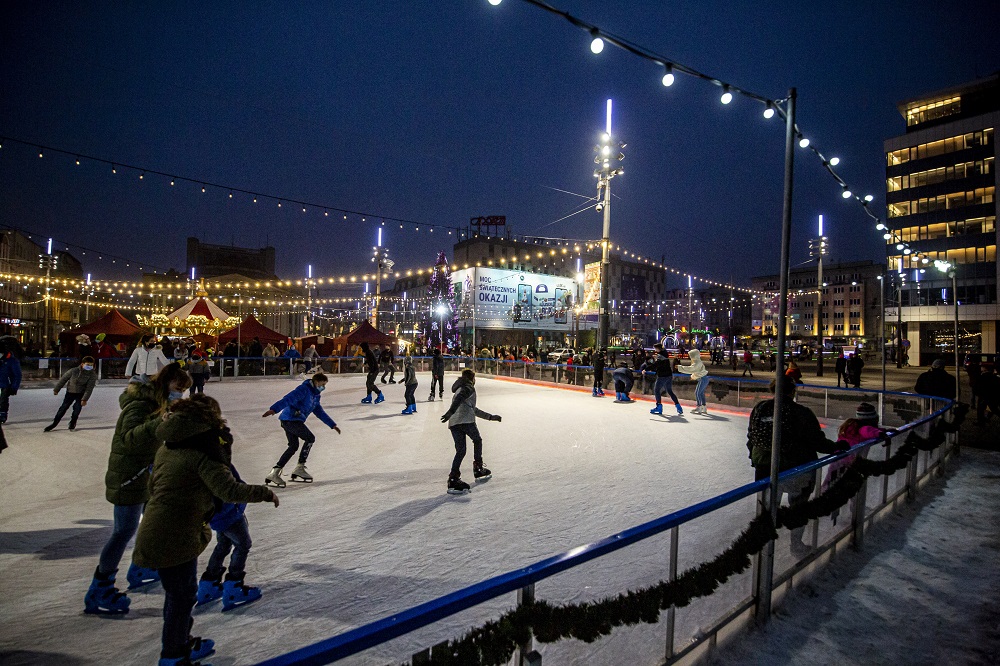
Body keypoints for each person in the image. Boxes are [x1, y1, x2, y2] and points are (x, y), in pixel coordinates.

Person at [132, 394, 278, 664]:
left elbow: (153, 487)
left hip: (158, 527)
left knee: (180, 595)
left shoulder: (169, 446)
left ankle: (180, 645)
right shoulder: (203, 452)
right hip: (176, 534)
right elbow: (228, 489)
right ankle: (175, 656)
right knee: (181, 598)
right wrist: (264, 493)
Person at [84, 363, 192, 615]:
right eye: (178, 388)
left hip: (144, 474)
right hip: (128, 476)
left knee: (149, 522)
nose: (180, 394)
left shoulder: (158, 404)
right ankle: (100, 586)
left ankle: (141, 566)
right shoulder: (139, 405)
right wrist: (159, 423)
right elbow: (129, 438)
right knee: (123, 530)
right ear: (165, 383)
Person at [746, 376, 839, 554]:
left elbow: (751, 437)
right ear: (792, 391)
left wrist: (755, 458)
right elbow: (817, 441)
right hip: (796, 468)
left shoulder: (760, 408)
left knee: (767, 508)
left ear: (772, 391)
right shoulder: (801, 412)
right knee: (798, 507)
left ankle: (764, 549)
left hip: (765, 467)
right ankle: (796, 545)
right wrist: (836, 448)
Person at [263, 372, 341, 487]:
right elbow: (288, 399)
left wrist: (332, 424)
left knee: (293, 446)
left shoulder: (315, 395)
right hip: (290, 419)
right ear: (316, 382)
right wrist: (274, 409)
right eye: (322, 384)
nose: (323, 387)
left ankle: (274, 472)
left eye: (325, 385)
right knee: (310, 438)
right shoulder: (303, 389)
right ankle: (299, 467)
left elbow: (318, 411)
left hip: (294, 420)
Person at [822, 403, 884, 525]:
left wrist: (882, 431)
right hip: (850, 464)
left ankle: (830, 505)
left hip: (837, 462)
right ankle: (854, 513)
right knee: (853, 488)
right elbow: (869, 431)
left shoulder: (851, 426)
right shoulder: (863, 428)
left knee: (831, 484)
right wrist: (882, 434)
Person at [441, 369, 501, 494]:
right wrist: (449, 412)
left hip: (454, 423)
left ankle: (453, 478)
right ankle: (478, 468)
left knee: (461, 450)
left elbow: (473, 408)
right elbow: (460, 400)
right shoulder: (468, 388)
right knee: (477, 440)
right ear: (472, 378)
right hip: (466, 421)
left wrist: (490, 417)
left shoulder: (459, 388)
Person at [45, 356, 98, 432]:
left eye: (91, 365)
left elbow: (89, 388)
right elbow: (63, 379)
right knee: (63, 408)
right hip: (70, 392)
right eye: (87, 364)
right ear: (82, 364)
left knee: (77, 409)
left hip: (81, 394)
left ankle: (72, 423)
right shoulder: (73, 371)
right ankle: (54, 423)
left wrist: (84, 399)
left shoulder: (92, 375)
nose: (89, 367)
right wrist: (57, 389)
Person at [649, 344, 683, 416]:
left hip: (662, 376)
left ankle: (659, 407)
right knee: (669, 391)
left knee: (656, 390)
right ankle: (678, 406)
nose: (655, 350)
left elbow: (656, 365)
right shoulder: (665, 354)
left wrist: (645, 369)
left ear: (658, 349)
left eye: (655, 349)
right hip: (669, 375)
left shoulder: (660, 356)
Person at [677, 348, 709, 415]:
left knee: (697, 393)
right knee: (701, 393)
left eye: (691, 355)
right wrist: (693, 376)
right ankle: (703, 407)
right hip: (704, 379)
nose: (690, 357)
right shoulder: (697, 361)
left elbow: (691, 369)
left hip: (702, 379)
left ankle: (699, 407)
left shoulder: (697, 362)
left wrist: (680, 367)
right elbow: (696, 371)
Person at [0, 336, 24, 424]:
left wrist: (14, 387)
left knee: (3, 401)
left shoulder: (11, 360)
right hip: (4, 383)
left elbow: (17, 375)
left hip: (4, 385)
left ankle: (2, 415)